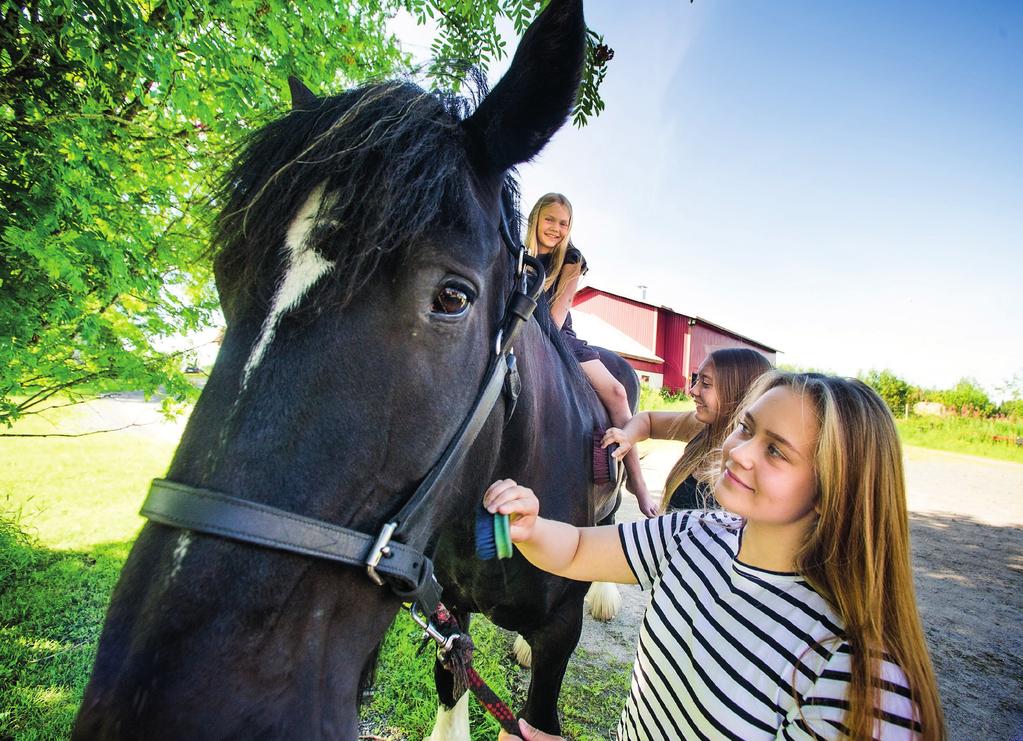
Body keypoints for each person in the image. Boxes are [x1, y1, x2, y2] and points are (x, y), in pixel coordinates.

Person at [487, 372, 945, 740]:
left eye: (776, 451)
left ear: (833, 490)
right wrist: (532, 527)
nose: (739, 452)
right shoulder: (694, 534)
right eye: (746, 428)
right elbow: (579, 550)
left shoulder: (857, 679)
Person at [525, 193, 656, 517]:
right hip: (520, 333)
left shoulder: (571, 260)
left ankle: (636, 482)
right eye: (550, 219)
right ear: (536, 219)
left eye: (563, 223)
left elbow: (554, 319)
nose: (555, 228)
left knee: (616, 390)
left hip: (556, 337)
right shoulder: (517, 254)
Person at [602, 348, 771, 513]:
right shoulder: (702, 428)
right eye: (696, 381)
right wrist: (627, 436)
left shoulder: (752, 470)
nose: (692, 391)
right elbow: (648, 420)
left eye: (705, 383)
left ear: (737, 392)